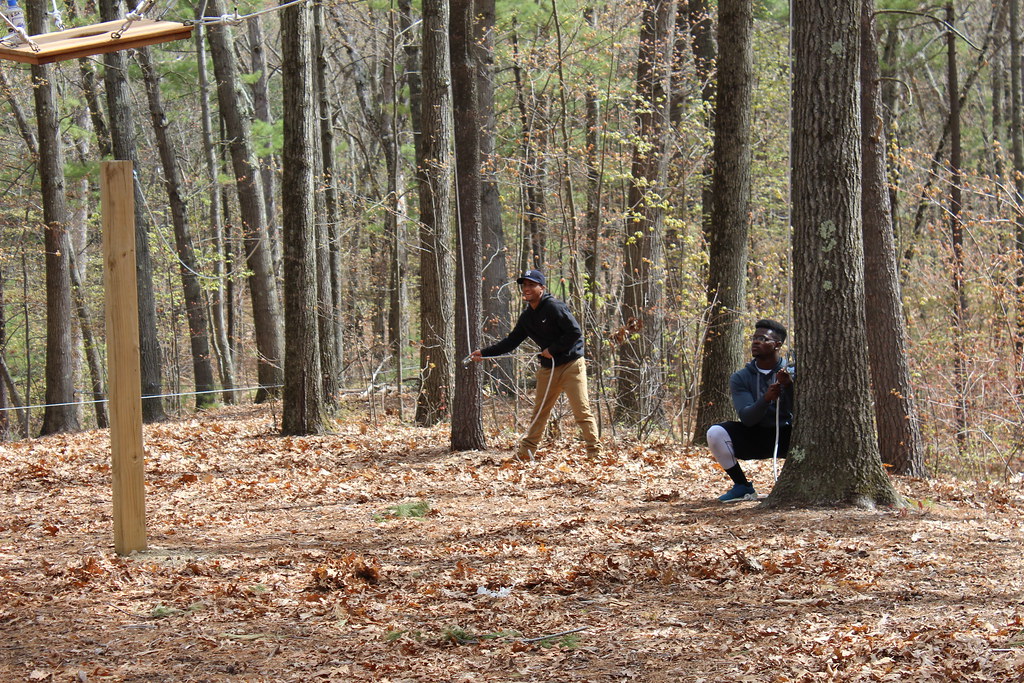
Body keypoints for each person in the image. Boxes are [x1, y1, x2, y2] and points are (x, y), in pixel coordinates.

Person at [471, 269, 601, 460]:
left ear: (542, 288)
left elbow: (575, 332)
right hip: (548, 369)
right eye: (524, 285)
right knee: (540, 413)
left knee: (581, 411)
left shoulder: (555, 307)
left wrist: (553, 349)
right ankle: (526, 453)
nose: (527, 288)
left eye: (532, 285)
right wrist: (484, 353)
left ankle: (595, 453)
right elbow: (511, 341)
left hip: (572, 365)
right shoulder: (527, 317)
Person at [706, 319, 794, 502]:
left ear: (777, 345)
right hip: (756, 435)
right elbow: (747, 418)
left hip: (790, 436)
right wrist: (766, 399)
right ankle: (742, 486)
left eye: (763, 339)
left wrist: (789, 386)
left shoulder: (793, 372)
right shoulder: (740, 377)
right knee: (715, 433)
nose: (755, 342)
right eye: (754, 338)